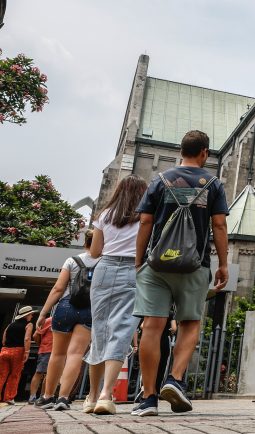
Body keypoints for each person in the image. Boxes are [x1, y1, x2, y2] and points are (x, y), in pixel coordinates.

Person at [131, 130, 229, 417]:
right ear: (204, 154)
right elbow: (220, 226)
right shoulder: (212, 184)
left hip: (158, 264)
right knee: (189, 323)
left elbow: (145, 221)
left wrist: (139, 261)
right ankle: (174, 379)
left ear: (180, 151)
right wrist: (223, 263)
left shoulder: (160, 180)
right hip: (194, 264)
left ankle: (148, 398)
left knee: (152, 326)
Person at [84, 175, 148, 415]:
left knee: (99, 331)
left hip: (104, 270)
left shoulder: (104, 216)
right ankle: (105, 394)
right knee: (121, 331)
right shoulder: (145, 217)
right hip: (133, 270)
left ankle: (90, 396)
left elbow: (95, 252)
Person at [35, 231, 98, 412]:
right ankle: (63, 397)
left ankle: (47, 397)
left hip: (65, 307)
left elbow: (58, 288)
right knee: (76, 354)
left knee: (57, 354)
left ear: (85, 242)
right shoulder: (104, 262)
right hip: (89, 310)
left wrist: (43, 313)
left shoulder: (72, 260)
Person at [0, 306, 34, 405]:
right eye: (31, 314)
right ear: (27, 315)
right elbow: (27, 338)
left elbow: (4, 339)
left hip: (4, 350)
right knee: (15, 375)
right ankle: (9, 397)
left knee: (2, 374)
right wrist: (27, 352)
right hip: (18, 351)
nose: (32, 316)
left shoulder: (10, 325)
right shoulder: (29, 325)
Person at [27, 314, 52, 404]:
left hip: (54, 351)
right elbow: (35, 335)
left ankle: (42, 396)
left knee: (48, 374)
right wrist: (41, 345)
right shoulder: (49, 321)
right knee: (40, 373)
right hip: (46, 350)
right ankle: (33, 396)